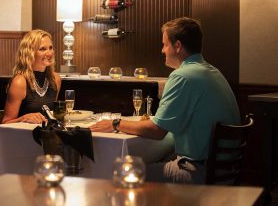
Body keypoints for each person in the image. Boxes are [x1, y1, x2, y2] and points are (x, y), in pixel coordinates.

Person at [89, 17, 240, 184]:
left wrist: (115, 123)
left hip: (198, 172)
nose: (162, 50)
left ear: (178, 46)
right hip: (224, 171)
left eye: (165, 44)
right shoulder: (212, 72)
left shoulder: (183, 77)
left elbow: (156, 131)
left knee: (120, 172)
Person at [2, 29, 61, 124]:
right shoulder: (20, 82)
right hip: (24, 136)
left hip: (47, 136)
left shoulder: (56, 79)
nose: (50, 53)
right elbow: (5, 123)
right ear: (30, 53)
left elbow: (52, 116)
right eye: (42, 49)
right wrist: (23, 118)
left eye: (51, 48)